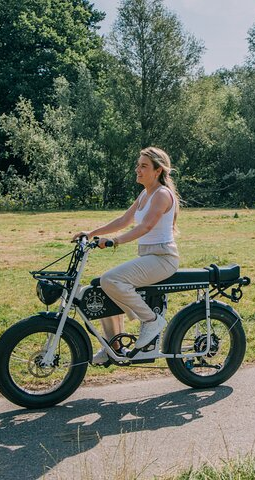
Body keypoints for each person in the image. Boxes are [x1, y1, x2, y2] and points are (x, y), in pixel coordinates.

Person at [72, 147, 180, 364]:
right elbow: (124, 220)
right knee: (100, 291)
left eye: (144, 166)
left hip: (163, 258)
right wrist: (91, 233)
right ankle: (114, 347)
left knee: (110, 279)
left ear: (158, 171)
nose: (137, 170)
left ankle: (151, 320)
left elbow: (146, 226)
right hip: (150, 257)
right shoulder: (145, 194)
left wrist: (115, 241)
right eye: (137, 165)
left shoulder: (161, 194)